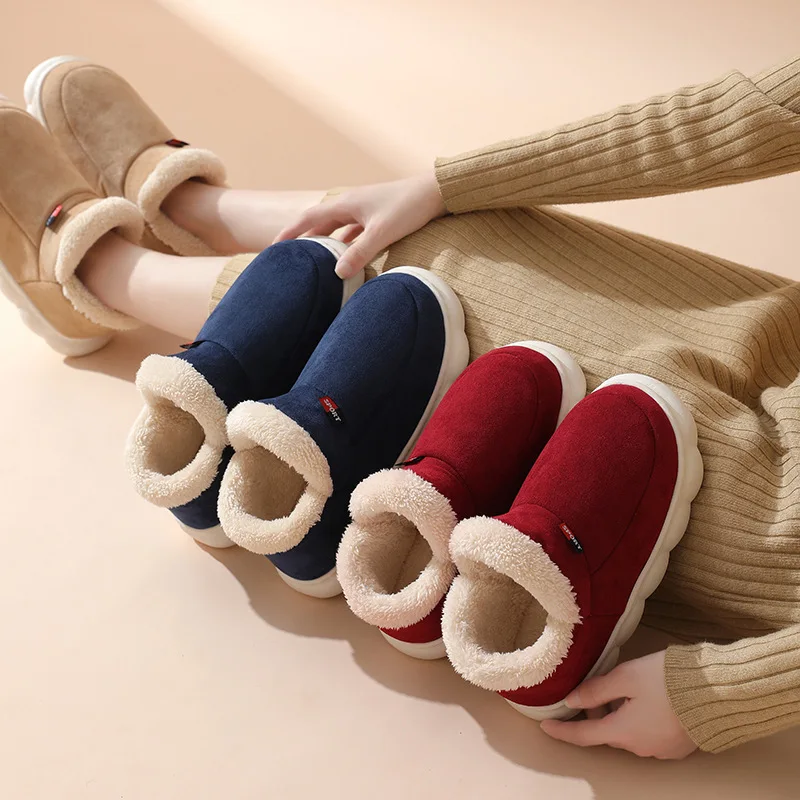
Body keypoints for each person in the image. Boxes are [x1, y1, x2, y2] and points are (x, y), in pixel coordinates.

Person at [3, 53, 800, 761]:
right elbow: (756, 114)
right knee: (467, 231)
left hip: (775, 499)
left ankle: (104, 275)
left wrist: (725, 694)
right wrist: (443, 184)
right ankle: (203, 213)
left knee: (446, 303)